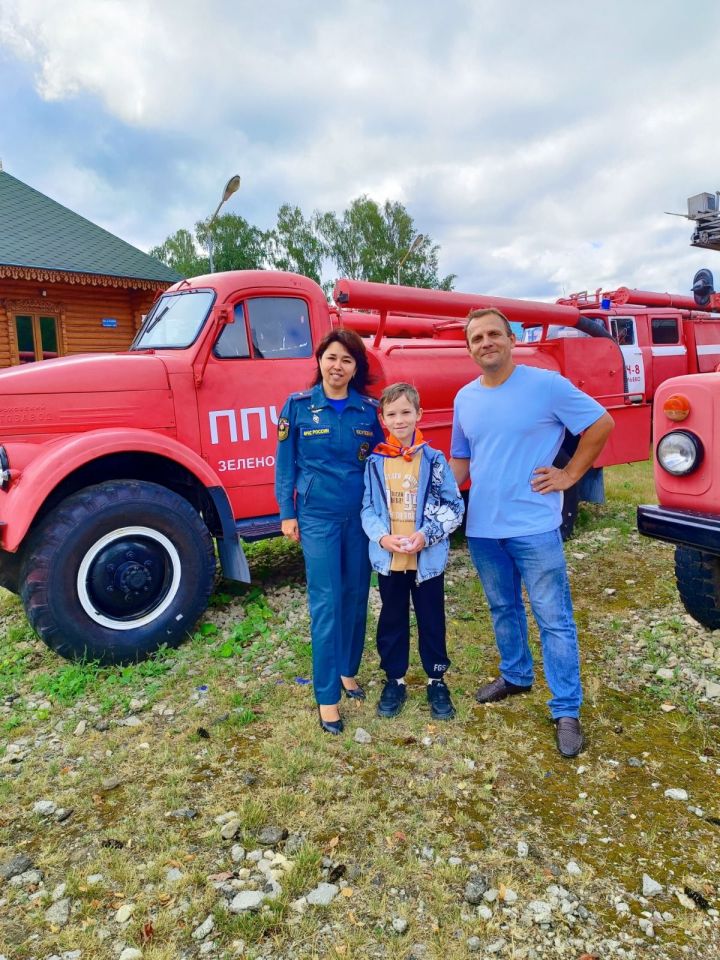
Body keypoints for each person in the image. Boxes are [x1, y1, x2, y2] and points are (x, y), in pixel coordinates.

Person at [450, 308, 614, 757]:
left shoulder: (545, 385)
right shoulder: (466, 398)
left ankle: (566, 708)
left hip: (535, 526)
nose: (486, 343)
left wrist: (568, 474)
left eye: (493, 334)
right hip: (483, 527)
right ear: (469, 348)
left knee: (553, 618)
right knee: (503, 607)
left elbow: (601, 424)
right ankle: (516, 675)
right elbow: (461, 462)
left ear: (511, 339)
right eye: (477, 338)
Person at [275, 329, 385, 735]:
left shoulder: (367, 411)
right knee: (326, 602)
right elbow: (285, 464)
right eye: (331, 358)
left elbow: (382, 459)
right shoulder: (299, 406)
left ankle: (347, 669)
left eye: (347, 360)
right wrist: (288, 513)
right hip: (317, 518)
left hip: (359, 517)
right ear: (320, 361)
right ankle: (327, 697)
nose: (338, 366)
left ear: (356, 368)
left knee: (357, 594)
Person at [361, 382, 464, 721]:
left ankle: (436, 679)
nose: (400, 419)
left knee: (431, 618)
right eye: (392, 414)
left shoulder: (433, 460)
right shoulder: (376, 462)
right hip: (391, 560)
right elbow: (367, 509)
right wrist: (382, 538)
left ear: (419, 414)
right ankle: (395, 679)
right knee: (391, 618)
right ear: (383, 418)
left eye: (406, 412)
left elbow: (453, 505)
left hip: (426, 561)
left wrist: (425, 535)